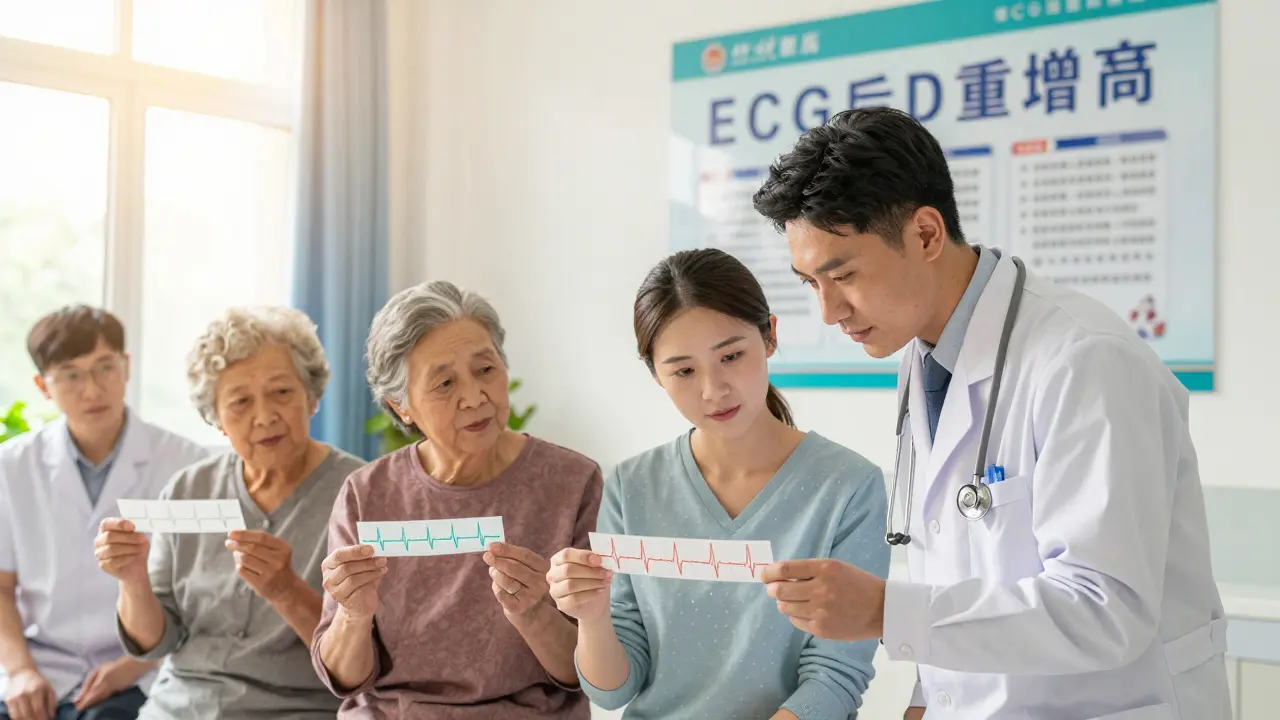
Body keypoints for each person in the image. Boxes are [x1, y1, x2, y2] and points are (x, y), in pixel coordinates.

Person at [752, 106, 1230, 719]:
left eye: (841, 275)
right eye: (808, 282)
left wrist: (884, 611)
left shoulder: (1086, 360)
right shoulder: (924, 353)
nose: (828, 311)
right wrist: (928, 698)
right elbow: (963, 558)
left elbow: (1107, 607)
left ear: (925, 234)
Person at [547, 248, 890, 719]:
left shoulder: (850, 487)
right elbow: (612, 692)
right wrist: (590, 615)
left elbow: (834, 677)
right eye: (684, 371)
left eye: (731, 355)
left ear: (769, 336)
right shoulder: (631, 486)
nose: (713, 389)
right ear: (655, 374)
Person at [311, 281, 602, 719]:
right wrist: (354, 615)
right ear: (401, 406)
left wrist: (533, 613)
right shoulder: (366, 493)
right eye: (445, 383)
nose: (475, 397)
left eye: (486, 370)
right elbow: (344, 679)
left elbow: (589, 672)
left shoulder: (573, 482)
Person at [93, 306, 365, 719]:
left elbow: (362, 662)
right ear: (217, 420)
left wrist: (287, 591)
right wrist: (132, 580)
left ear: (312, 398)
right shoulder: (187, 490)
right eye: (240, 402)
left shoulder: (361, 494)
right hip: (177, 708)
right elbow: (156, 642)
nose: (265, 416)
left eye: (282, 392)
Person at [0, 306, 208, 720]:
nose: (92, 390)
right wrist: (21, 670)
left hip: (146, 667)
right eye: (72, 375)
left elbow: (203, 591)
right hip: (43, 665)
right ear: (43, 386)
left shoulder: (187, 464)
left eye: (104, 367)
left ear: (126, 366)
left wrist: (134, 664)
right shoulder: (11, 467)